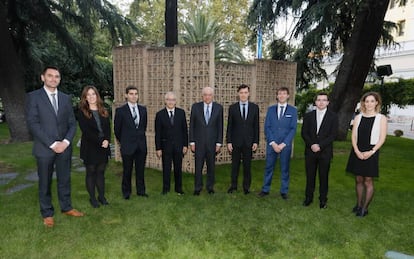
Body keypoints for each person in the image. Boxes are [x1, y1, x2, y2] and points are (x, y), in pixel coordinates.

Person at [26, 66, 84, 227]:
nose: (53, 79)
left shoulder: (66, 98)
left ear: (59, 79)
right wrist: (52, 144)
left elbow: (72, 124)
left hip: (64, 149)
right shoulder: (33, 97)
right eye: (50, 76)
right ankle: (47, 213)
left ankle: (66, 207)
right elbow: (33, 124)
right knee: (45, 182)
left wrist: (65, 142)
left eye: (57, 76)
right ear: (42, 77)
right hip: (44, 149)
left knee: (64, 179)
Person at [346, 92, 387, 217]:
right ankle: (358, 205)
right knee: (358, 179)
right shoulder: (358, 117)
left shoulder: (381, 118)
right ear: (363, 103)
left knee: (368, 180)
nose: (369, 104)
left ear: (377, 103)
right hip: (357, 150)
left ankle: (364, 208)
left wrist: (372, 152)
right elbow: (353, 136)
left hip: (372, 150)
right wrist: (357, 151)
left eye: (372, 101)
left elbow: (382, 138)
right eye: (367, 101)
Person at [258, 87, 297, 199]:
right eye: (279, 94)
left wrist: (283, 144)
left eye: (284, 94)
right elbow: (267, 127)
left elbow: (293, 129)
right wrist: (273, 143)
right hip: (272, 145)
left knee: (285, 168)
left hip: (285, 145)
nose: (281, 96)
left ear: (288, 96)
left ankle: (284, 191)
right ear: (277, 96)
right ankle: (265, 189)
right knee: (269, 167)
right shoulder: (271, 109)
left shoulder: (293, 110)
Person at [301, 92, 338, 209]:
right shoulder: (308, 116)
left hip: (325, 152)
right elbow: (304, 133)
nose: (321, 102)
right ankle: (308, 198)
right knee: (310, 176)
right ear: (315, 102)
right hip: (310, 151)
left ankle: (323, 200)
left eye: (324, 100)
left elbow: (333, 135)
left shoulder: (333, 117)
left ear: (328, 102)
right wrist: (312, 144)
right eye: (319, 100)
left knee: (324, 177)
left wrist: (320, 145)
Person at [78, 86, 111, 208]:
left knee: (101, 172)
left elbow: (108, 127)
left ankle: (101, 197)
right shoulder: (82, 112)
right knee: (91, 172)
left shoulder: (104, 110)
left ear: (97, 96)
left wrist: (107, 139)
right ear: (85, 98)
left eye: (93, 94)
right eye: (88, 95)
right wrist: (101, 141)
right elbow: (86, 131)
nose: (91, 97)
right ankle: (92, 199)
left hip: (104, 146)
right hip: (90, 147)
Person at [114, 86, 148, 199]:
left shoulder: (143, 110)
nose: (134, 96)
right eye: (131, 94)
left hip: (141, 146)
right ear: (126, 95)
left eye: (136, 94)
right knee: (127, 170)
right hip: (127, 146)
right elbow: (117, 130)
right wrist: (124, 141)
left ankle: (141, 191)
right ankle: (126, 193)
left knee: (140, 170)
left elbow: (143, 127)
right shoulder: (120, 111)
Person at [189, 86, 223, 195]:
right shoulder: (195, 107)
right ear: (202, 96)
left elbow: (220, 126)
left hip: (212, 143)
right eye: (205, 95)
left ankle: (210, 187)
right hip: (198, 143)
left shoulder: (218, 108)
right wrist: (192, 142)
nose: (207, 97)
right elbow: (192, 125)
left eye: (209, 95)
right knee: (198, 167)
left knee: (211, 167)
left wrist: (219, 143)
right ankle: (197, 188)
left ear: (212, 96)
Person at [226, 84, 259, 195]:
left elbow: (256, 126)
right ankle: (233, 186)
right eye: (241, 93)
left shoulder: (254, 108)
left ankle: (246, 187)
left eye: (245, 92)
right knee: (235, 166)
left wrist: (256, 141)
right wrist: (229, 141)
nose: (243, 95)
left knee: (247, 166)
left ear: (248, 94)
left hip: (249, 142)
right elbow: (229, 126)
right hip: (235, 142)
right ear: (238, 94)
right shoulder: (232, 108)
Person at [155, 91, 188, 195]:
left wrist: (185, 145)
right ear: (165, 101)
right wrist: (158, 148)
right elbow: (158, 133)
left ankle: (179, 189)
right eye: (168, 99)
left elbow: (184, 130)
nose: (170, 102)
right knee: (166, 168)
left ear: (175, 101)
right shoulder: (160, 115)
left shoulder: (181, 113)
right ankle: (166, 189)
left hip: (179, 146)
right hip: (166, 146)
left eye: (173, 100)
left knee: (178, 168)